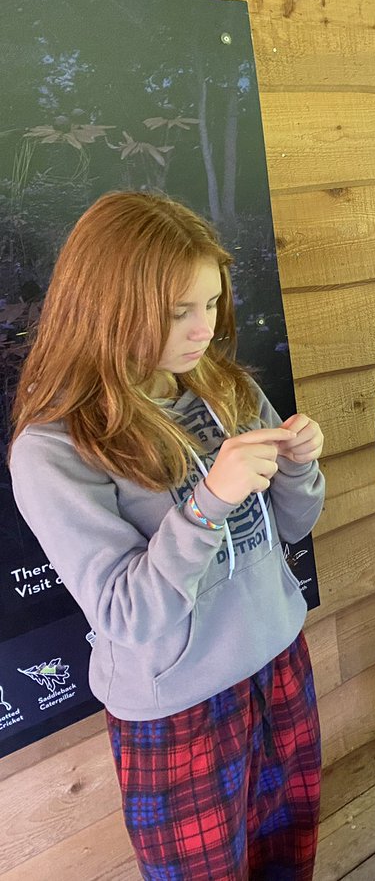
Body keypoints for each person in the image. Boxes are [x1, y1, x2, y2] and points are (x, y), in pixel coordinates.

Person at [8, 191, 326, 879]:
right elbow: (128, 614)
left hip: (279, 663)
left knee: (290, 857)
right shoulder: (55, 447)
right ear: (108, 306)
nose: (203, 328)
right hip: (180, 710)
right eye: (178, 311)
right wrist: (209, 501)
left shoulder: (224, 387)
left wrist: (300, 467)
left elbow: (293, 528)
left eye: (211, 303)